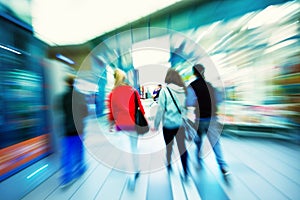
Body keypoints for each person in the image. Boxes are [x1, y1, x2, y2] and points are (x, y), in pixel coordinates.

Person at [186, 64, 230, 175]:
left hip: (200, 119)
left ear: (194, 73)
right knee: (215, 142)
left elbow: (188, 102)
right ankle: (223, 165)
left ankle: (198, 157)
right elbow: (219, 99)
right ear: (204, 71)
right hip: (213, 118)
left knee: (198, 140)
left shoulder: (192, 86)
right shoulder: (211, 86)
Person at [107, 69, 146, 189]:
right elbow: (141, 109)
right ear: (125, 79)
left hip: (121, 126)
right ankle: (136, 169)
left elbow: (112, 112)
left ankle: (131, 177)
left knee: (126, 151)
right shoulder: (133, 91)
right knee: (134, 148)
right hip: (133, 124)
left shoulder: (113, 93)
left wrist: (111, 124)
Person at [153, 68, 189, 179]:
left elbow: (160, 109)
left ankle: (169, 165)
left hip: (168, 125)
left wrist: (156, 124)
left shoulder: (165, 91)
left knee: (169, 146)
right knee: (182, 147)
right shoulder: (184, 90)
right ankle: (185, 170)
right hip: (180, 125)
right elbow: (186, 109)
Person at [60, 74, 88, 187]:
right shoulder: (81, 95)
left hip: (67, 129)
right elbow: (86, 112)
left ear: (67, 83)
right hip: (79, 128)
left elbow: (61, 111)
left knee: (67, 153)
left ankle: (66, 177)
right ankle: (80, 169)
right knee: (79, 149)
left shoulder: (63, 96)